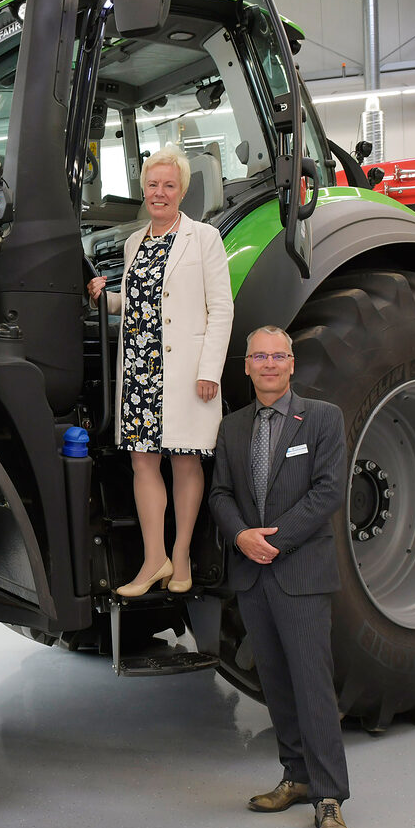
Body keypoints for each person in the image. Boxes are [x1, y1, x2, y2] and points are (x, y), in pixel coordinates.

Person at [207, 325, 352, 828]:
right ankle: (295, 776)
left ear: (292, 364)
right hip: (253, 574)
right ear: (245, 366)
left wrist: (275, 540)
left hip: (300, 573)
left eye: (278, 355)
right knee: (274, 682)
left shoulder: (322, 419)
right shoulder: (231, 428)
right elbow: (220, 492)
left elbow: (329, 489)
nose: (269, 364)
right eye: (259, 356)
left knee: (313, 685)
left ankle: (330, 799)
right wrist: (241, 536)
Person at [87, 145, 233, 598]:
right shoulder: (136, 242)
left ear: (183, 191)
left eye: (169, 185)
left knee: (185, 460)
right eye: (153, 185)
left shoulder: (204, 238)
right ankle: (155, 559)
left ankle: (183, 553)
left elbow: (221, 309)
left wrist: (210, 368)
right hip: (141, 367)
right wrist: (104, 295)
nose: (160, 193)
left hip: (186, 371)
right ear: (144, 190)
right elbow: (139, 303)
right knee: (143, 461)